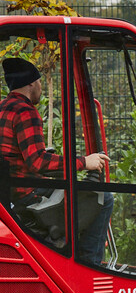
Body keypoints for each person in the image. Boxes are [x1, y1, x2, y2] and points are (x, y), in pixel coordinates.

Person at [0, 56, 113, 263]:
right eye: (40, 82)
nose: (41, 87)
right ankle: (89, 266)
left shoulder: (3, 108)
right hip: (28, 196)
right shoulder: (25, 111)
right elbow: (38, 162)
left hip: (11, 194)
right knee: (103, 198)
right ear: (31, 83)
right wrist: (84, 162)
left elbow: (22, 157)